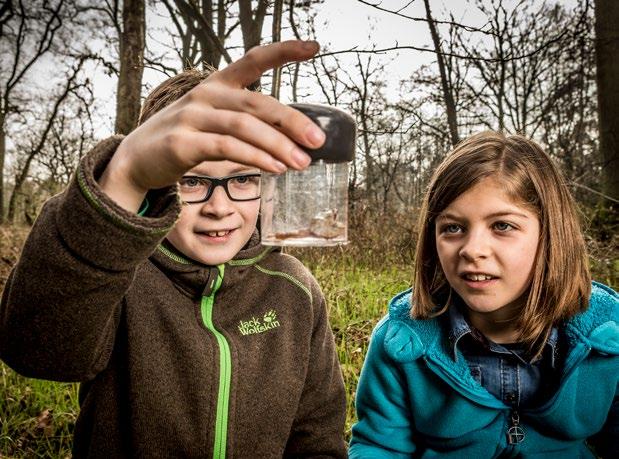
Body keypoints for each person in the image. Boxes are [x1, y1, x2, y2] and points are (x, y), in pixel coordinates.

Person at [0, 40, 347, 458]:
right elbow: (38, 350)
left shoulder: (294, 288)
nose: (219, 208)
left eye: (242, 180)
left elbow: (317, 438)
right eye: (192, 180)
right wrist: (123, 176)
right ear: (156, 182)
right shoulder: (117, 277)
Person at [349, 131, 618, 458]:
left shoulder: (607, 336)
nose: (472, 250)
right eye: (452, 227)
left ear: (550, 235)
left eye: (502, 226)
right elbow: (379, 446)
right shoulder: (402, 341)